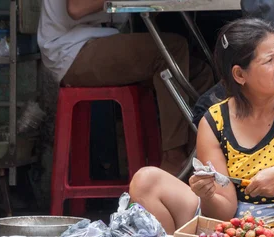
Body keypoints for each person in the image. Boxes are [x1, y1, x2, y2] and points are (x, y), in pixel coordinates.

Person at [129, 18, 274, 237]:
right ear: (239, 74)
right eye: (268, 61)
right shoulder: (214, 121)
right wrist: (206, 195)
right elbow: (223, 212)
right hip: (229, 229)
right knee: (146, 180)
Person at [37, 0, 214, 175]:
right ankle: (173, 157)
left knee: (198, 73)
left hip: (103, 39)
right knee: (172, 50)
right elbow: (76, 7)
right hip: (71, 49)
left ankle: (197, 162)